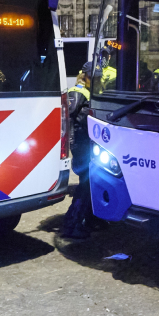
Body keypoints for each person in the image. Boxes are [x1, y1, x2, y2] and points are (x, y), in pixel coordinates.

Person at [61, 64, 97, 240]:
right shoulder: (78, 91)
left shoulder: (87, 91)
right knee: (85, 184)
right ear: (86, 76)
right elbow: (71, 119)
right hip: (81, 145)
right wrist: (74, 145)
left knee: (90, 182)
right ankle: (72, 224)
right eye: (94, 77)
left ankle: (89, 220)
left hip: (86, 144)